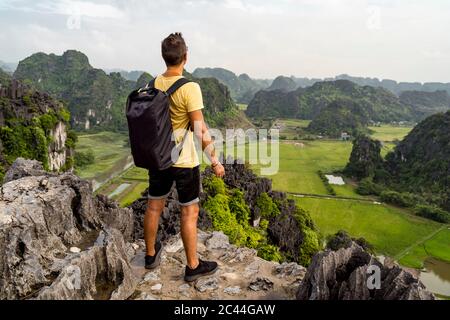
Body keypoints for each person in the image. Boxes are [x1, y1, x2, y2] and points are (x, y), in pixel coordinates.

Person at [143, 32, 226, 282]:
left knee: (153, 206)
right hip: (184, 161)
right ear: (185, 57)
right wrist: (214, 159)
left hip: (159, 158)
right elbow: (200, 129)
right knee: (189, 212)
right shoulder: (190, 88)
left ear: (164, 57)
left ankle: (149, 255)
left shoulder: (152, 84)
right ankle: (192, 266)